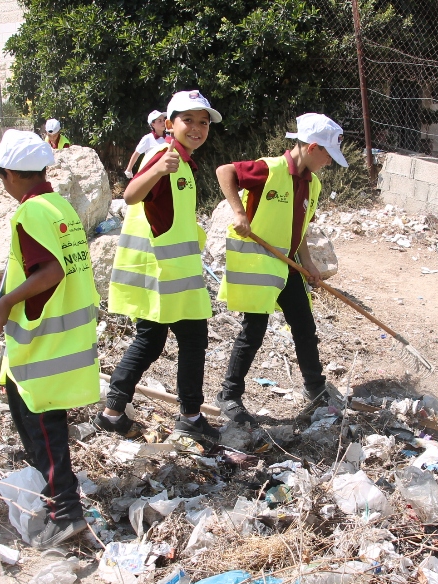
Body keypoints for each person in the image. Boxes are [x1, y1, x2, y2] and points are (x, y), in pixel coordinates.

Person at [0, 129, 102, 548]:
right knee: (31, 415)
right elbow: (39, 267)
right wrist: (6, 294)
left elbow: (50, 271)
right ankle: (53, 500)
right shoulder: (57, 205)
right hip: (61, 334)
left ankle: (65, 513)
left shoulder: (29, 213)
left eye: (0, 175)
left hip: (43, 338)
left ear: (11, 174)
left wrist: (7, 302)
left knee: (44, 426)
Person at [101, 90, 222, 444]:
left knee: (151, 341)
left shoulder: (182, 161)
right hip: (164, 273)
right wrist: (157, 169)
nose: (197, 128)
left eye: (203, 122)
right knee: (192, 340)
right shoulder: (164, 156)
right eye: (188, 120)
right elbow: (131, 195)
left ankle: (112, 411)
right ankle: (190, 417)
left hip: (169, 272)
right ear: (169, 124)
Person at [214, 113, 347, 424]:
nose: (329, 162)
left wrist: (308, 263)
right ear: (312, 147)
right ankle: (229, 395)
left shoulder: (313, 184)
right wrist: (239, 213)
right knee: (254, 331)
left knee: (304, 326)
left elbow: (299, 228)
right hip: (259, 263)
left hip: (288, 266)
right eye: (328, 155)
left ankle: (315, 387)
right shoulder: (270, 169)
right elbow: (224, 171)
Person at [125, 110, 168, 179]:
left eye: (163, 120)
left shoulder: (169, 138)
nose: (163, 122)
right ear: (153, 124)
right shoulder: (147, 138)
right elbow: (137, 153)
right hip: (152, 173)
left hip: (167, 173)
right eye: (160, 121)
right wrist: (128, 170)